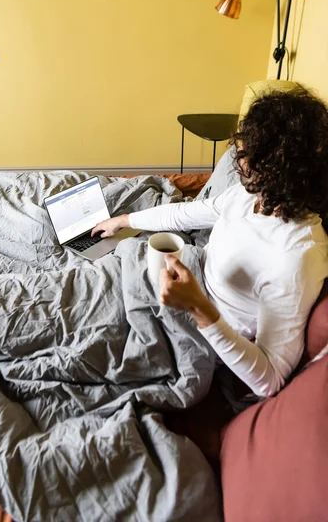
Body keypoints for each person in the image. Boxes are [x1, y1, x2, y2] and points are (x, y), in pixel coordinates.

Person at [92, 87, 328, 398]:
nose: (238, 158)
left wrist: (197, 307)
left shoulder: (297, 256)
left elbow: (269, 379)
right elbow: (186, 214)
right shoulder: (253, 196)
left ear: (280, 168)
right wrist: (123, 221)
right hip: (178, 281)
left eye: (246, 154)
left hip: (190, 329)